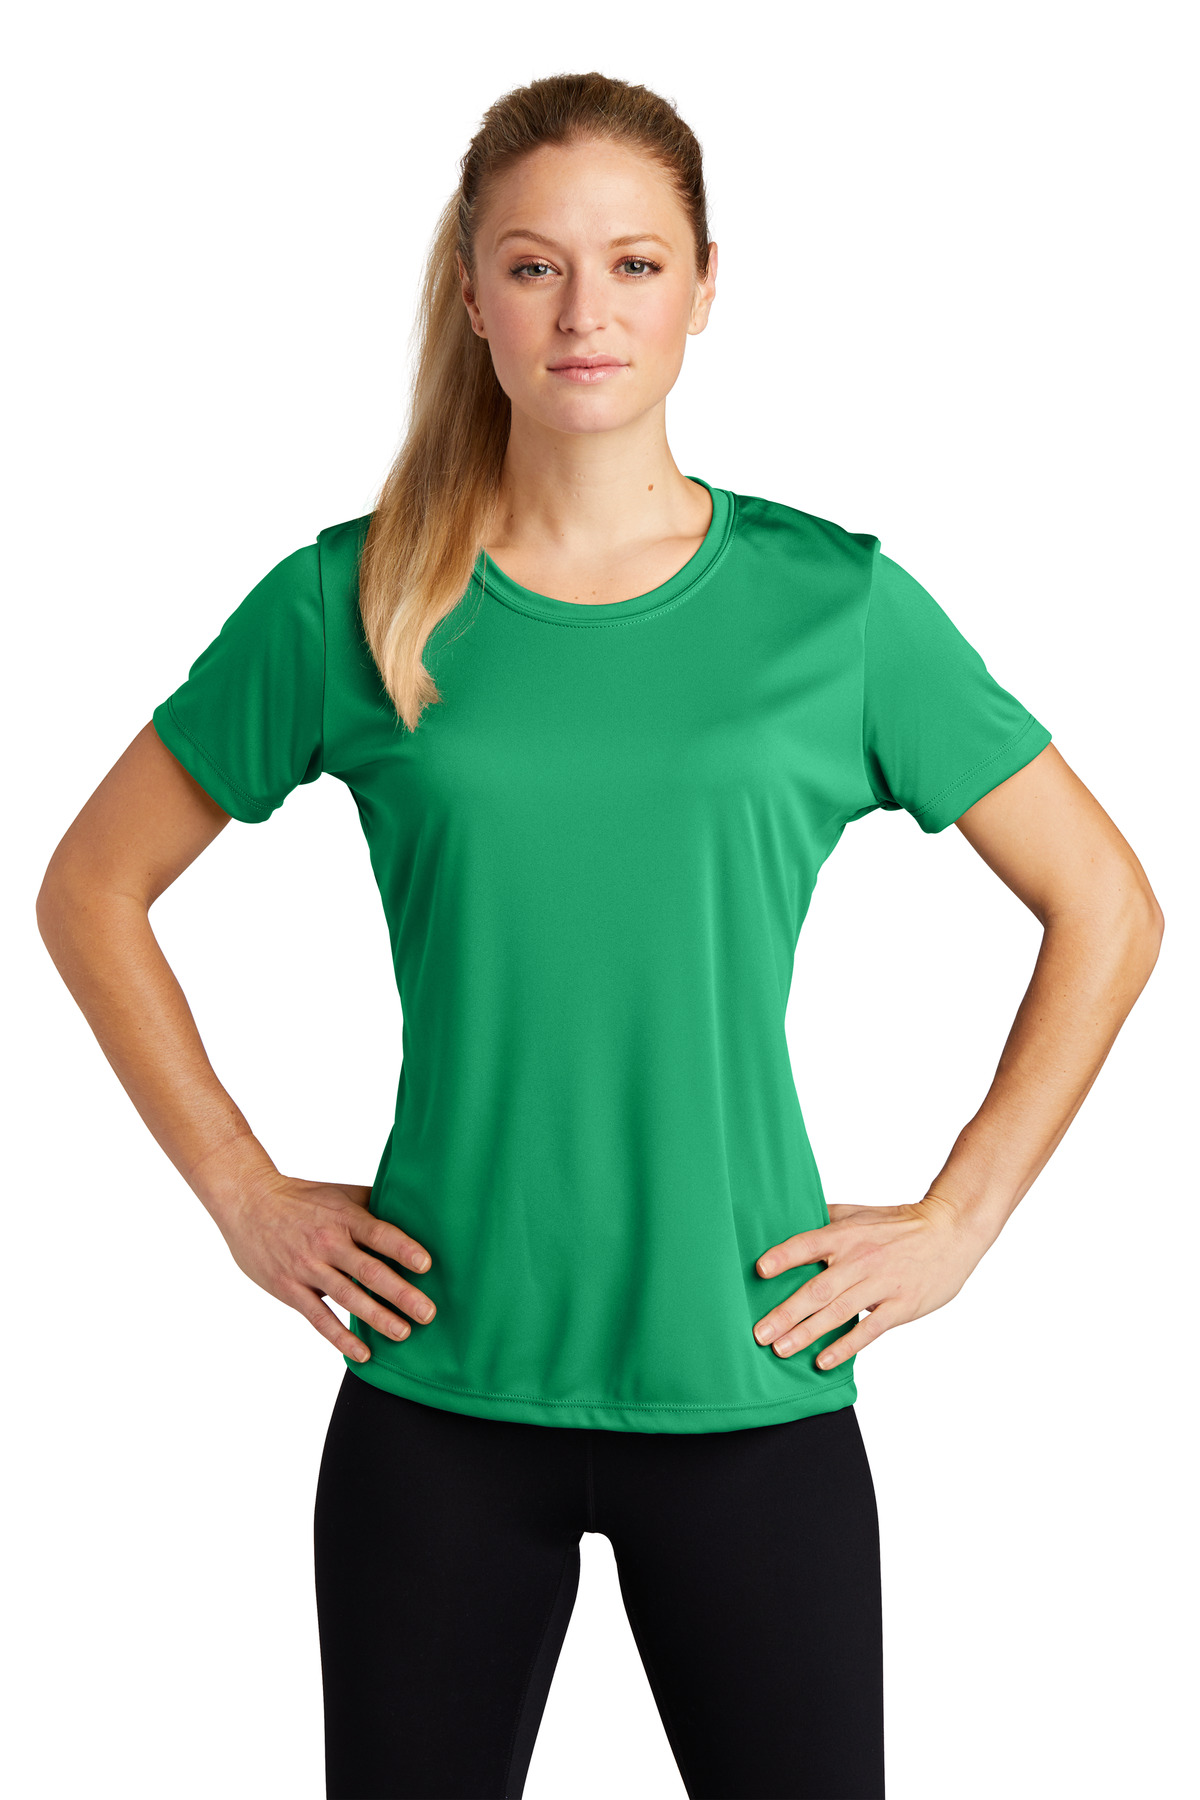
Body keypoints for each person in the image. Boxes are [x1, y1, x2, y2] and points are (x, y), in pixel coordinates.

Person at [35, 69, 1163, 1800]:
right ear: (472, 294)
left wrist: (964, 1217)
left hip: (748, 1378)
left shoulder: (834, 610)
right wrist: (243, 1193)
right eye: (535, 265)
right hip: (439, 1393)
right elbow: (89, 888)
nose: (586, 312)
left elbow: (1108, 903)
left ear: (707, 287)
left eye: (635, 264)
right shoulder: (348, 603)